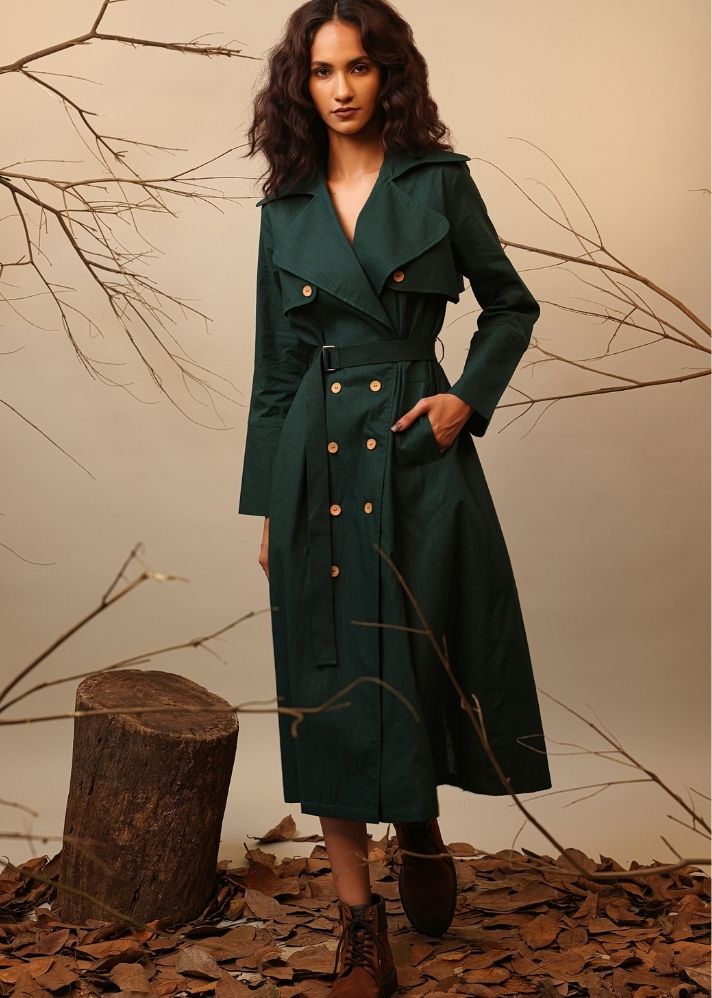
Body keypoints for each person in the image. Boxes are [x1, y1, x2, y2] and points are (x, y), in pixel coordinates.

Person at [238, 1, 553, 993]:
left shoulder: (438, 183)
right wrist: (268, 504)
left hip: (418, 451)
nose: (340, 88)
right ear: (300, 83)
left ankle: (416, 821)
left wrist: (467, 397)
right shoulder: (284, 210)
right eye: (321, 70)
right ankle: (357, 920)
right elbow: (274, 373)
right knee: (325, 677)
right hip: (316, 464)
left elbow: (510, 303)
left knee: (421, 647)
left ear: (390, 76)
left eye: (359, 67)